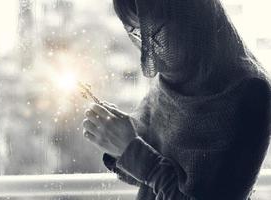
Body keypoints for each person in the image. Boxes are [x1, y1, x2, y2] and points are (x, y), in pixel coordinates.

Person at [82, 0, 271, 199]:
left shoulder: (251, 94)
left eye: (154, 34)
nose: (148, 51)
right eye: (137, 34)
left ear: (189, 20)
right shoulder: (169, 78)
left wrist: (132, 150)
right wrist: (119, 141)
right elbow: (149, 180)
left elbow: (157, 175)